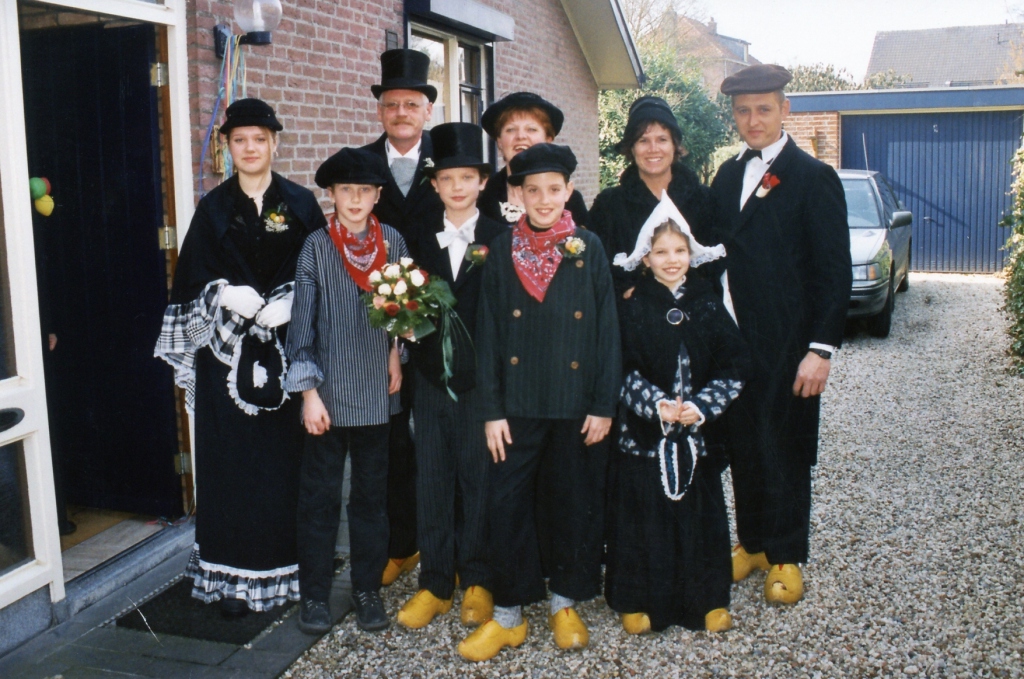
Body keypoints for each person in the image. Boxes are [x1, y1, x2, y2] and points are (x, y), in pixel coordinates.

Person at [155, 98, 326, 617]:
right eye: (239, 141)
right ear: (228, 147)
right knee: (229, 466)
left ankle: (284, 573)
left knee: (281, 466)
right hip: (223, 358)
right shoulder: (212, 208)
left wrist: (294, 300)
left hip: (285, 352)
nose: (250, 149)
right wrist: (223, 294)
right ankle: (230, 579)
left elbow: (322, 268)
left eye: (259, 139)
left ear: (274, 143)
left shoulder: (300, 203)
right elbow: (189, 279)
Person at [695, 64, 851, 604]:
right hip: (734, 340)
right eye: (743, 111)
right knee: (743, 443)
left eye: (763, 109)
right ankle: (754, 542)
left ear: (785, 110)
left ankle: (786, 555)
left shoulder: (812, 177)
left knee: (784, 446)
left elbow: (834, 272)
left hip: (789, 343)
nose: (753, 120)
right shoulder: (726, 176)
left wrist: (820, 350)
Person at [459, 144, 620, 662]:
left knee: (571, 501)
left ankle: (564, 602)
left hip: (575, 404)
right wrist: (490, 410)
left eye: (554, 189)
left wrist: (604, 404)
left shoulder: (588, 247)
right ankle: (509, 612)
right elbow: (488, 334)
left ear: (569, 191)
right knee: (507, 505)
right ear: (518, 195)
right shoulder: (501, 250)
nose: (544, 199)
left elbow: (606, 330)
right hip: (516, 405)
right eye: (533, 190)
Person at [605, 192, 748, 634]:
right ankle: (638, 600)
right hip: (645, 436)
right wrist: (655, 405)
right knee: (643, 518)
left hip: (695, 436)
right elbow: (619, 367)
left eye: (680, 251)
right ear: (645, 258)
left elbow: (734, 366)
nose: (671, 260)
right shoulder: (632, 306)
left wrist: (701, 407)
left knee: (699, 517)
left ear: (691, 254)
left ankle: (706, 600)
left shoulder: (707, 303)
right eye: (662, 252)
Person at [284, 147, 406, 634]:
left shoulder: (393, 242)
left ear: (377, 195)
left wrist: (396, 349)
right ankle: (314, 595)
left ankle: (367, 589)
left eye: (365, 190)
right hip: (328, 396)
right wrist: (308, 392)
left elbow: (405, 308)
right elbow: (302, 325)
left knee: (371, 499)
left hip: (376, 389)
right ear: (331, 195)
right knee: (320, 499)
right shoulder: (316, 246)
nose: (355, 200)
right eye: (345, 190)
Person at [396, 122, 504, 631]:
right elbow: (402, 303)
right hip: (430, 378)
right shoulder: (417, 236)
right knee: (433, 476)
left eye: (467, 177)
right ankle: (436, 582)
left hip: (482, 381)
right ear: (434, 184)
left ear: (482, 182)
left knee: (479, 476)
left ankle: (478, 578)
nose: (457, 186)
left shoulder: (501, 238)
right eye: (447, 178)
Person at [362, 48, 444, 584]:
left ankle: (446, 551)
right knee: (391, 440)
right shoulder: (362, 164)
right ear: (380, 111)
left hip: (441, 323)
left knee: (439, 439)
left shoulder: (450, 159)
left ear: (427, 110)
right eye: (391, 104)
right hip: (380, 325)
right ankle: (400, 545)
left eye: (411, 104)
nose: (401, 113)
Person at [589, 96, 714, 299]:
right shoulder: (609, 205)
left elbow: (715, 268)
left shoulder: (704, 200)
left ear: (674, 145)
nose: (653, 149)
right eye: (643, 140)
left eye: (662, 140)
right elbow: (596, 269)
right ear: (631, 148)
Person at [478, 92, 588, 228]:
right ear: (499, 141)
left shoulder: (571, 200)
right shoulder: (482, 196)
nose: (521, 136)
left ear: (548, 140)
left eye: (531, 129)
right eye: (511, 130)